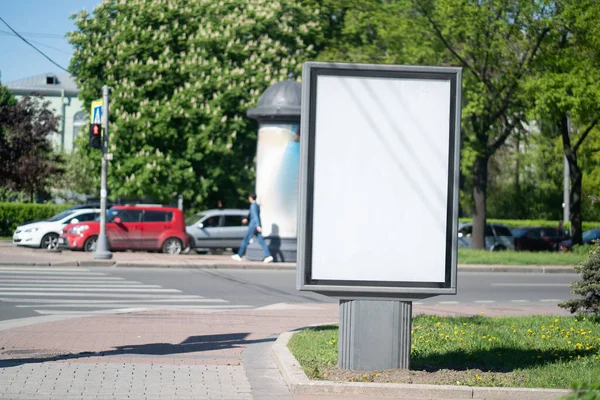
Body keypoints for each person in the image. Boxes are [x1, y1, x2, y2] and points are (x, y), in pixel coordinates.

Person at [231, 193, 273, 263]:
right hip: (255, 225)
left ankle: (239, 255)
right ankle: (268, 256)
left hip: (253, 225)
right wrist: (247, 219)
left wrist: (257, 225)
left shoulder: (253, 205)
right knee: (261, 241)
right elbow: (252, 215)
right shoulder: (256, 205)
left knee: (246, 239)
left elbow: (255, 216)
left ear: (251, 198)